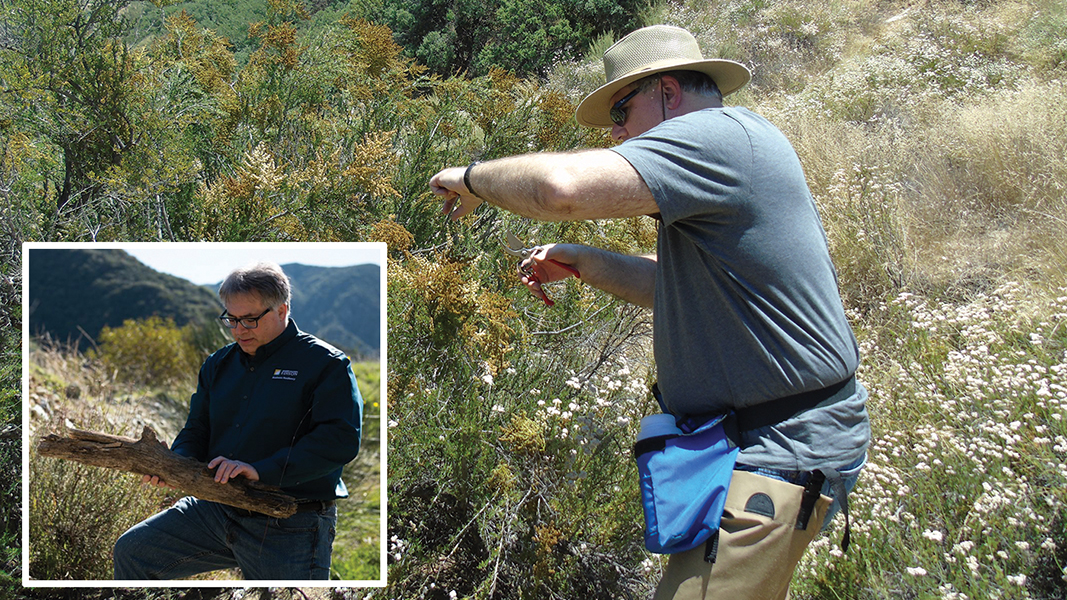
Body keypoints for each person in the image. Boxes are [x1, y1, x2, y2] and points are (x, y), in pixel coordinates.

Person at [429, 24, 870, 600]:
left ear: (668, 91)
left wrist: (469, 178)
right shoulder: (723, 154)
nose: (615, 131)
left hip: (780, 445)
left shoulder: (715, 137)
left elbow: (561, 189)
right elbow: (680, 289)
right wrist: (585, 262)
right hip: (749, 439)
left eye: (620, 108)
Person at [113, 261, 363, 580]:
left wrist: (261, 471)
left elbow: (340, 441)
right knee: (133, 552)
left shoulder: (326, 365)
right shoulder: (217, 364)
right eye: (231, 319)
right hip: (216, 508)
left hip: (290, 523)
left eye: (249, 320)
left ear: (282, 309)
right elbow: (197, 429)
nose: (238, 329)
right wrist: (173, 465)